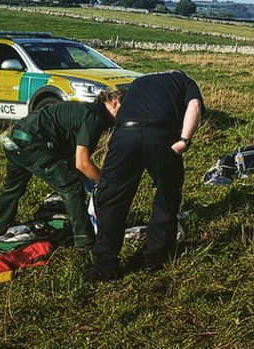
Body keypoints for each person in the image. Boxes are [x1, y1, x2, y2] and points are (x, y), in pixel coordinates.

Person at [84, 70, 204, 281]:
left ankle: (105, 266)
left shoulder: (139, 81)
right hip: (161, 136)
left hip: (124, 135)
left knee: (112, 198)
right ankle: (156, 258)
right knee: (167, 194)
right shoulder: (184, 81)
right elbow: (194, 107)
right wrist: (184, 140)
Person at [0, 89, 124, 249]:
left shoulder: (83, 110)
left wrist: (86, 179)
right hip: (33, 145)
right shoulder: (94, 118)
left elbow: (73, 158)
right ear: (115, 102)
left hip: (15, 139)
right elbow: (83, 163)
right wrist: (109, 182)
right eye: (128, 109)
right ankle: (85, 243)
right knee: (72, 188)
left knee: (13, 187)